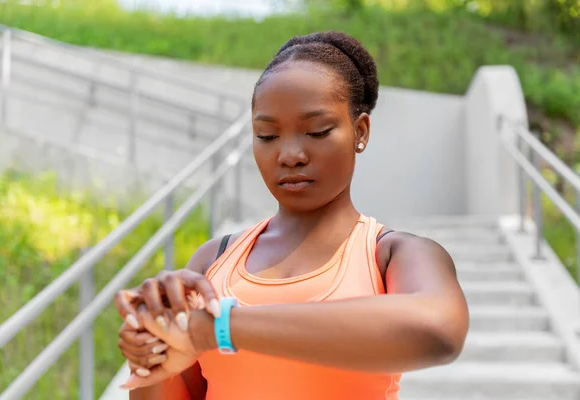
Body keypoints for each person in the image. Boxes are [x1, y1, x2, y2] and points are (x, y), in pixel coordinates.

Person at [114, 30, 469, 400]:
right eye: (267, 136)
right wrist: (151, 354)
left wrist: (219, 328)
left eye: (317, 131)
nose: (290, 155)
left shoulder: (393, 255)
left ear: (360, 132)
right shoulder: (214, 261)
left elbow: (438, 329)